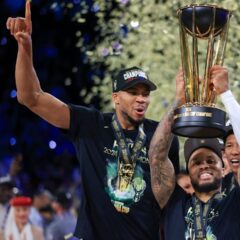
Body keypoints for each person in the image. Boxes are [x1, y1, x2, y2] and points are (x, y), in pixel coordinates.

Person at [6, 2, 179, 239]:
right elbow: (30, 97)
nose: (141, 99)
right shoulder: (91, 124)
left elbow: (169, 201)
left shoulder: (161, 136)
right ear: (116, 98)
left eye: (145, 94)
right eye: (133, 92)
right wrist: (25, 47)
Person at [148, 66, 240, 239]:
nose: (204, 166)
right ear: (188, 170)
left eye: (211, 160)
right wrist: (178, 102)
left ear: (223, 168)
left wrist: (226, 93)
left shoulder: (238, 203)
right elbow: (156, 156)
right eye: (196, 162)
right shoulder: (174, 204)